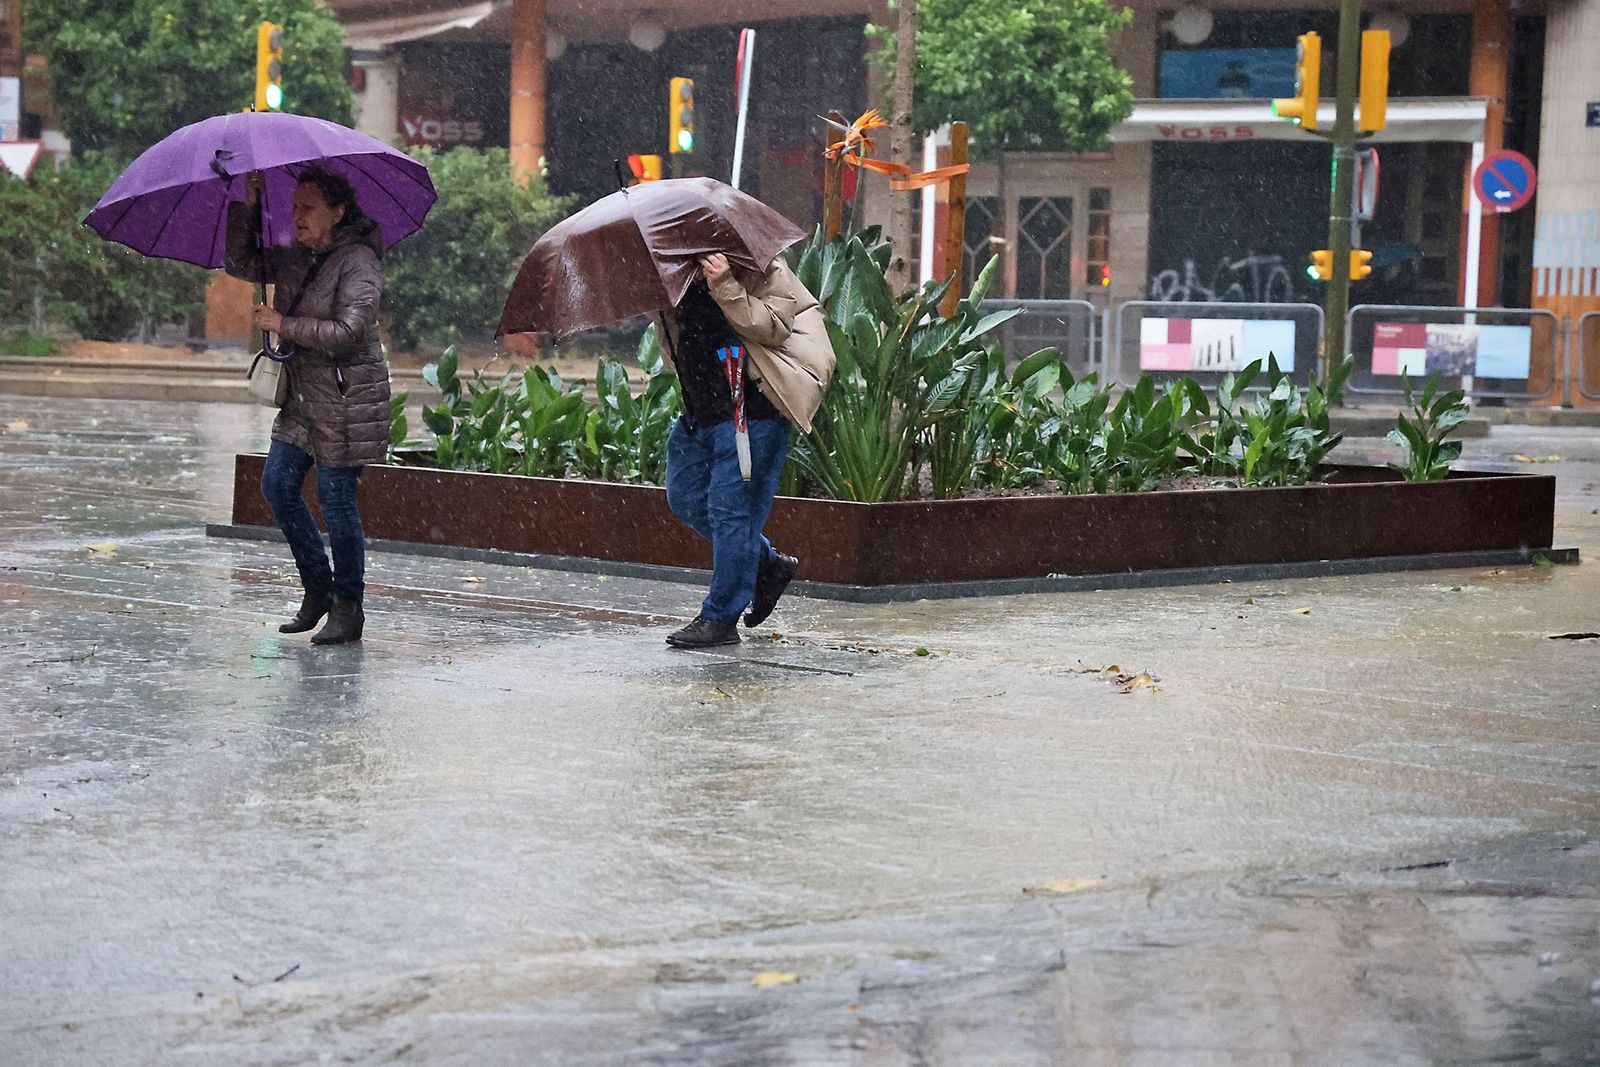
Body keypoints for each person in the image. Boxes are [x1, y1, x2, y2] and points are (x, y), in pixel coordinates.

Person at [225, 167, 390, 646]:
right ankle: (317, 586)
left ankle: (348, 606)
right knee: (277, 485)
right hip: (302, 398)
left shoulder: (358, 261)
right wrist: (250, 203)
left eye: (308, 209)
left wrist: (283, 322)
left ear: (337, 213)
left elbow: (348, 332)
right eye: (293, 207)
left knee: (337, 502)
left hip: (345, 398)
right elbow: (242, 262)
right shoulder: (298, 257)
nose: (296, 216)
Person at [660, 251, 835, 649]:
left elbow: (773, 327)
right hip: (700, 411)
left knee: (730, 513)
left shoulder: (762, 266)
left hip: (749, 409)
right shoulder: (674, 273)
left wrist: (725, 286)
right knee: (685, 498)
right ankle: (766, 563)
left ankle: (720, 618)